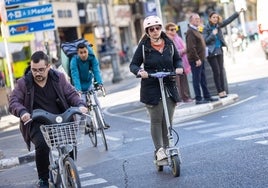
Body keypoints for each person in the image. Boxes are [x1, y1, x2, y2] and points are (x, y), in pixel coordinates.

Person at [8, 51, 88, 188]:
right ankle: (43, 180)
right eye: (34, 70)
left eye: (41, 70)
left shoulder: (59, 78)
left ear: (49, 67)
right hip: (37, 122)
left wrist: (80, 105)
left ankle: (69, 167)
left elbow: (71, 93)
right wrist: (22, 112)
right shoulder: (24, 83)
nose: (37, 73)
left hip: (61, 118)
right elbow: (13, 101)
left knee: (71, 141)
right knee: (42, 145)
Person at [129, 15, 184, 161]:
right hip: (151, 87)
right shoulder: (143, 47)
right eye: (151, 29)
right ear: (147, 31)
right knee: (156, 120)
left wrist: (179, 67)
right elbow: (133, 65)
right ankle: (159, 150)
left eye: (157, 28)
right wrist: (140, 72)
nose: (155, 31)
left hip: (169, 85)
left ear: (161, 28)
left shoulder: (169, 43)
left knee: (168, 119)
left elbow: (177, 59)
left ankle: (168, 148)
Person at [203, 9, 245, 98]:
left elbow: (228, 20)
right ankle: (220, 91)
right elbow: (205, 41)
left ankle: (223, 90)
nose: (215, 19)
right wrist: (213, 34)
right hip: (211, 52)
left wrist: (237, 13)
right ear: (210, 19)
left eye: (216, 17)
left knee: (221, 71)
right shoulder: (206, 28)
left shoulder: (218, 25)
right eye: (213, 17)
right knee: (216, 72)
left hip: (219, 50)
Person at [69, 42, 110, 129]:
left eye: (85, 52)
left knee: (96, 102)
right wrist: (78, 90)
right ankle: (83, 125)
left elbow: (96, 71)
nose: (83, 54)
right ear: (77, 53)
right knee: (82, 105)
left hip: (88, 83)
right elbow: (75, 76)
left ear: (88, 51)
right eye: (81, 52)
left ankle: (101, 121)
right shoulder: (74, 61)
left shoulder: (92, 58)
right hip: (78, 85)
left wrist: (100, 83)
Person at [185, 13, 218, 105]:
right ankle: (198, 98)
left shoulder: (196, 30)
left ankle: (207, 96)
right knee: (197, 79)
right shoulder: (190, 31)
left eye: (198, 19)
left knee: (203, 79)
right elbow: (191, 47)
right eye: (195, 19)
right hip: (196, 60)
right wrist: (196, 59)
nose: (198, 20)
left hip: (201, 58)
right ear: (191, 20)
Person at [165, 22, 193, 103]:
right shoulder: (167, 40)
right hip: (173, 64)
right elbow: (171, 52)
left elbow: (185, 46)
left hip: (182, 62)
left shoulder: (177, 37)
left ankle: (185, 97)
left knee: (183, 80)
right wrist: (182, 51)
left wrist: (184, 50)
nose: (174, 31)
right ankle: (178, 99)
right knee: (176, 82)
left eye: (175, 29)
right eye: (171, 30)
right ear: (167, 31)